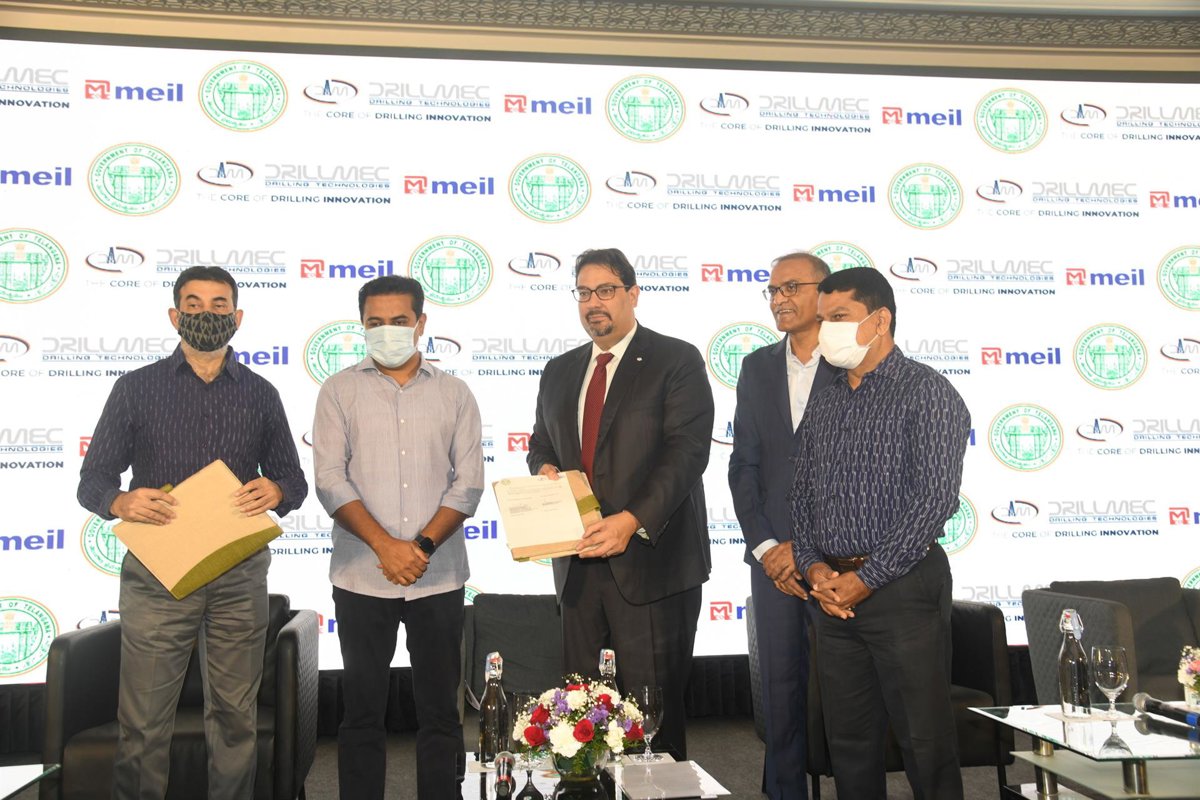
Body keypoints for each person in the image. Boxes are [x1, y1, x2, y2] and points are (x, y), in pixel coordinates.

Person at [77, 266, 307, 800]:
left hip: (238, 573)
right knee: (143, 719)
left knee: (235, 717)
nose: (207, 314)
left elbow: (292, 480)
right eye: (194, 304)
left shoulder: (262, 393)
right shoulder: (135, 388)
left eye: (219, 304)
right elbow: (93, 480)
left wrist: (277, 491)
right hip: (160, 572)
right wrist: (119, 501)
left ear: (238, 316)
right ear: (174, 315)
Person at [789, 267, 970, 800]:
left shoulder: (928, 393)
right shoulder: (826, 398)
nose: (825, 331)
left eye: (839, 317)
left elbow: (934, 500)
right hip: (833, 596)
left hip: (903, 588)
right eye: (823, 320)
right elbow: (801, 494)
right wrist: (814, 568)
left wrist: (868, 578)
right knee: (849, 742)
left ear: (880, 320)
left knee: (925, 741)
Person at [527, 247, 714, 759]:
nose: (594, 303)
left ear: (633, 294)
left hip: (652, 567)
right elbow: (541, 442)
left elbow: (686, 453)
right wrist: (544, 469)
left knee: (651, 724)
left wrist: (631, 521)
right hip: (578, 566)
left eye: (606, 290)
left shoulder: (675, 360)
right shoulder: (559, 370)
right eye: (584, 292)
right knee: (580, 719)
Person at [313, 275, 484, 800]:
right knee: (362, 712)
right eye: (375, 322)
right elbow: (329, 480)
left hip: (439, 577)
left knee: (441, 714)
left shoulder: (455, 393)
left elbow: (468, 483)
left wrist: (420, 547)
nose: (387, 331)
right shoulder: (338, 390)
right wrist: (386, 547)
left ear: (421, 323)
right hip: (362, 577)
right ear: (362, 326)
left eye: (399, 321)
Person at [728, 252, 839, 800]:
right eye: (772, 290)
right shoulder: (756, 367)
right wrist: (768, 546)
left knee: (849, 696)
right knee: (780, 693)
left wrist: (809, 546)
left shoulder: (853, 364)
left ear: (825, 293)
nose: (779, 299)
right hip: (773, 563)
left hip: (843, 561)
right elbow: (744, 466)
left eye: (791, 287)